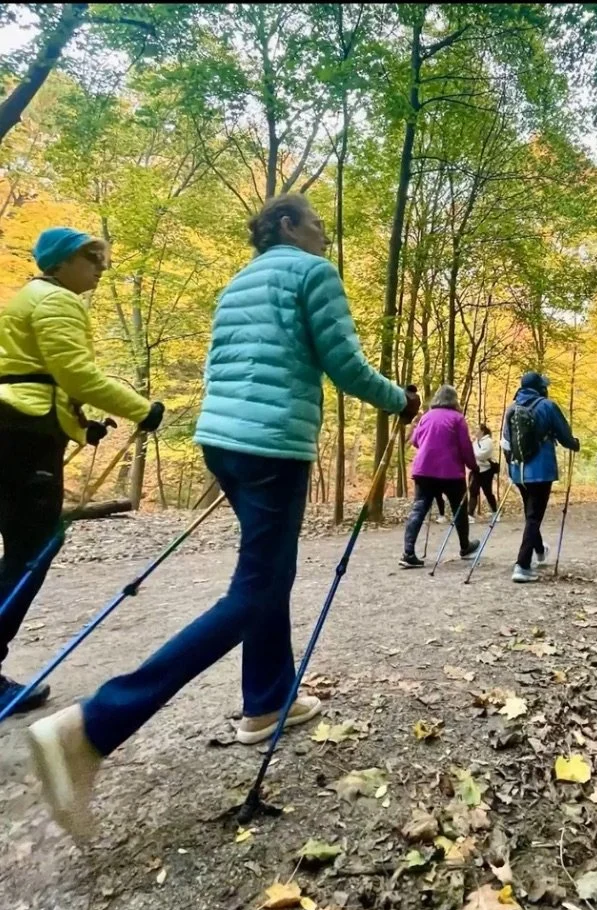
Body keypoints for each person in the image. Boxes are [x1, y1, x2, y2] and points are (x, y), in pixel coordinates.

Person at [26, 193, 420, 839]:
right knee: (257, 586)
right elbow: (343, 363)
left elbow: (227, 365)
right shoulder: (310, 272)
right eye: (316, 222)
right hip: (271, 446)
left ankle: (266, 703)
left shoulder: (238, 282)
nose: (325, 233)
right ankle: (92, 726)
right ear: (286, 226)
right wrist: (397, 399)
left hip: (223, 441)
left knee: (268, 575)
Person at [0, 227, 164, 715]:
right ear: (61, 262)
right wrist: (141, 408)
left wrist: (78, 425)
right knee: (34, 548)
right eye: (91, 257)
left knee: (25, 546)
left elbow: (39, 374)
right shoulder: (55, 301)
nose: (100, 266)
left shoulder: (30, 298)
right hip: (23, 436)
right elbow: (76, 374)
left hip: (19, 427)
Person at [501, 371, 579, 584]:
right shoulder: (547, 406)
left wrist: (511, 470)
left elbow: (506, 444)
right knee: (534, 516)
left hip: (519, 472)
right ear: (539, 387)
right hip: (541, 470)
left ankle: (540, 550)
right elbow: (564, 435)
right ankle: (522, 565)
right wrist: (575, 444)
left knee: (530, 514)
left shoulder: (511, 408)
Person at [400, 384, 480, 568]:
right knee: (459, 508)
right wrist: (473, 467)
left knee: (419, 509)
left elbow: (415, 441)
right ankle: (464, 546)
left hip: (424, 470)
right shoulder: (457, 418)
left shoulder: (426, 416)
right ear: (454, 400)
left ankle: (408, 552)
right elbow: (465, 447)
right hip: (451, 472)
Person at [468, 423, 498, 522]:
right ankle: (470, 514)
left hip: (486, 471)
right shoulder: (475, 442)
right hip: (476, 470)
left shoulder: (488, 441)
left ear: (482, 431)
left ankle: (495, 512)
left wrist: (474, 451)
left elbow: (482, 455)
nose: (475, 430)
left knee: (488, 492)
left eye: (477, 429)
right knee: (473, 492)